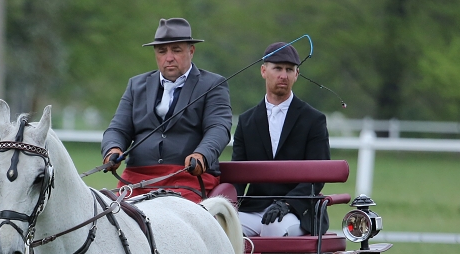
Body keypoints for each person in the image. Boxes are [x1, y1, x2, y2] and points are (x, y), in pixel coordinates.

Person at [101, 17, 232, 202]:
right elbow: (118, 128)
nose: (169, 57)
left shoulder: (213, 84)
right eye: (162, 51)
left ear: (191, 51)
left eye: (176, 50)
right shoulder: (136, 85)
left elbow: (218, 127)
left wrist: (202, 154)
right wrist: (112, 149)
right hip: (136, 180)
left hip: (189, 179)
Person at [232, 42, 331, 236]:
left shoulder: (313, 120)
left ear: (297, 74)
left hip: (298, 210)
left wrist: (287, 203)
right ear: (263, 71)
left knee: (273, 227)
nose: (283, 75)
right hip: (255, 208)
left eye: (289, 69)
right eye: (277, 68)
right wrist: (226, 206)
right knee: (219, 227)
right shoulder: (246, 121)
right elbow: (238, 175)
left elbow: (317, 176)